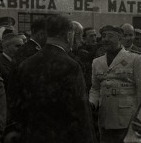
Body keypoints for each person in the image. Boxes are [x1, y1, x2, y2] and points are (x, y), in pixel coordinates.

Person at [11, 14, 96, 143]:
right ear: (69, 35)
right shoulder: (71, 66)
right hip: (62, 136)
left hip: (31, 135)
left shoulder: (26, 64)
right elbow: (79, 112)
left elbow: (16, 105)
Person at [89, 25, 141, 143]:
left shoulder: (135, 59)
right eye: (104, 36)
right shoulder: (97, 62)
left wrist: (139, 119)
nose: (106, 39)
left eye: (110, 36)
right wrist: (91, 103)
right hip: (105, 119)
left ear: (120, 38)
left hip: (127, 121)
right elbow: (95, 88)